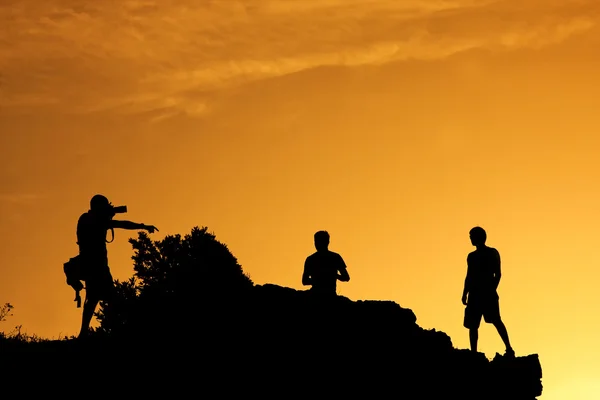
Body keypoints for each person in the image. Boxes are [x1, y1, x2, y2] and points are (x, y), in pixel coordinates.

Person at [76, 194, 158, 339]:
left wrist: (141, 226)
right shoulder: (89, 219)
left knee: (93, 299)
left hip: (95, 265)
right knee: (104, 299)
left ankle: (86, 332)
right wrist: (142, 226)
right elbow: (121, 224)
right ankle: (109, 331)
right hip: (95, 266)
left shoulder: (91, 219)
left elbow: (120, 224)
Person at [462, 226, 514, 357]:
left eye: (472, 236)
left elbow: (498, 274)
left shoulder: (492, 253)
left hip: (487, 293)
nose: (470, 239)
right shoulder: (471, 256)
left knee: (496, 320)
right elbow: (469, 275)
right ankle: (474, 352)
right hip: (474, 294)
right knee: (473, 325)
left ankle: (509, 348)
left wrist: (491, 289)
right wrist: (465, 292)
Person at [302, 230, 350, 298]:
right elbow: (304, 281)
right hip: (316, 294)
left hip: (328, 295)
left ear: (327, 242)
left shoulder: (311, 259)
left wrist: (334, 275)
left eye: (319, 242)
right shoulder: (335, 257)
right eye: (316, 241)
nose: (316, 244)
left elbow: (346, 277)